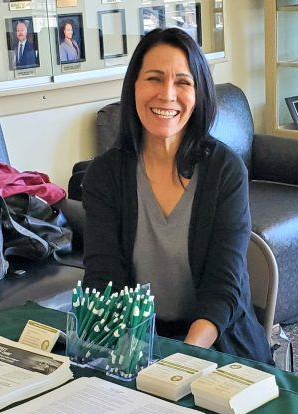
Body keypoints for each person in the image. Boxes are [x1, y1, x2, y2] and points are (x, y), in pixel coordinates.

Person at [81, 28, 271, 363]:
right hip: (135, 345)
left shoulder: (225, 171)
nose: (167, 94)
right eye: (154, 78)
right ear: (134, 86)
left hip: (218, 344)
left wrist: (181, 357)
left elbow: (223, 287)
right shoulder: (104, 175)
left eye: (183, 82)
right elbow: (103, 279)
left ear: (198, 93)